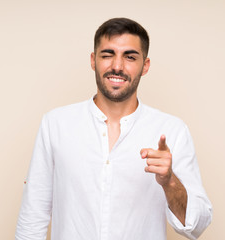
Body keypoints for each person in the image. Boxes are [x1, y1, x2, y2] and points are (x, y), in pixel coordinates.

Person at [16, 17, 212, 240]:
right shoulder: (55, 124)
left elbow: (196, 226)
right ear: (93, 60)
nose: (117, 66)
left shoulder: (172, 130)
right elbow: (33, 214)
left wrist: (170, 182)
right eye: (108, 55)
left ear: (145, 66)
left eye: (130, 57)